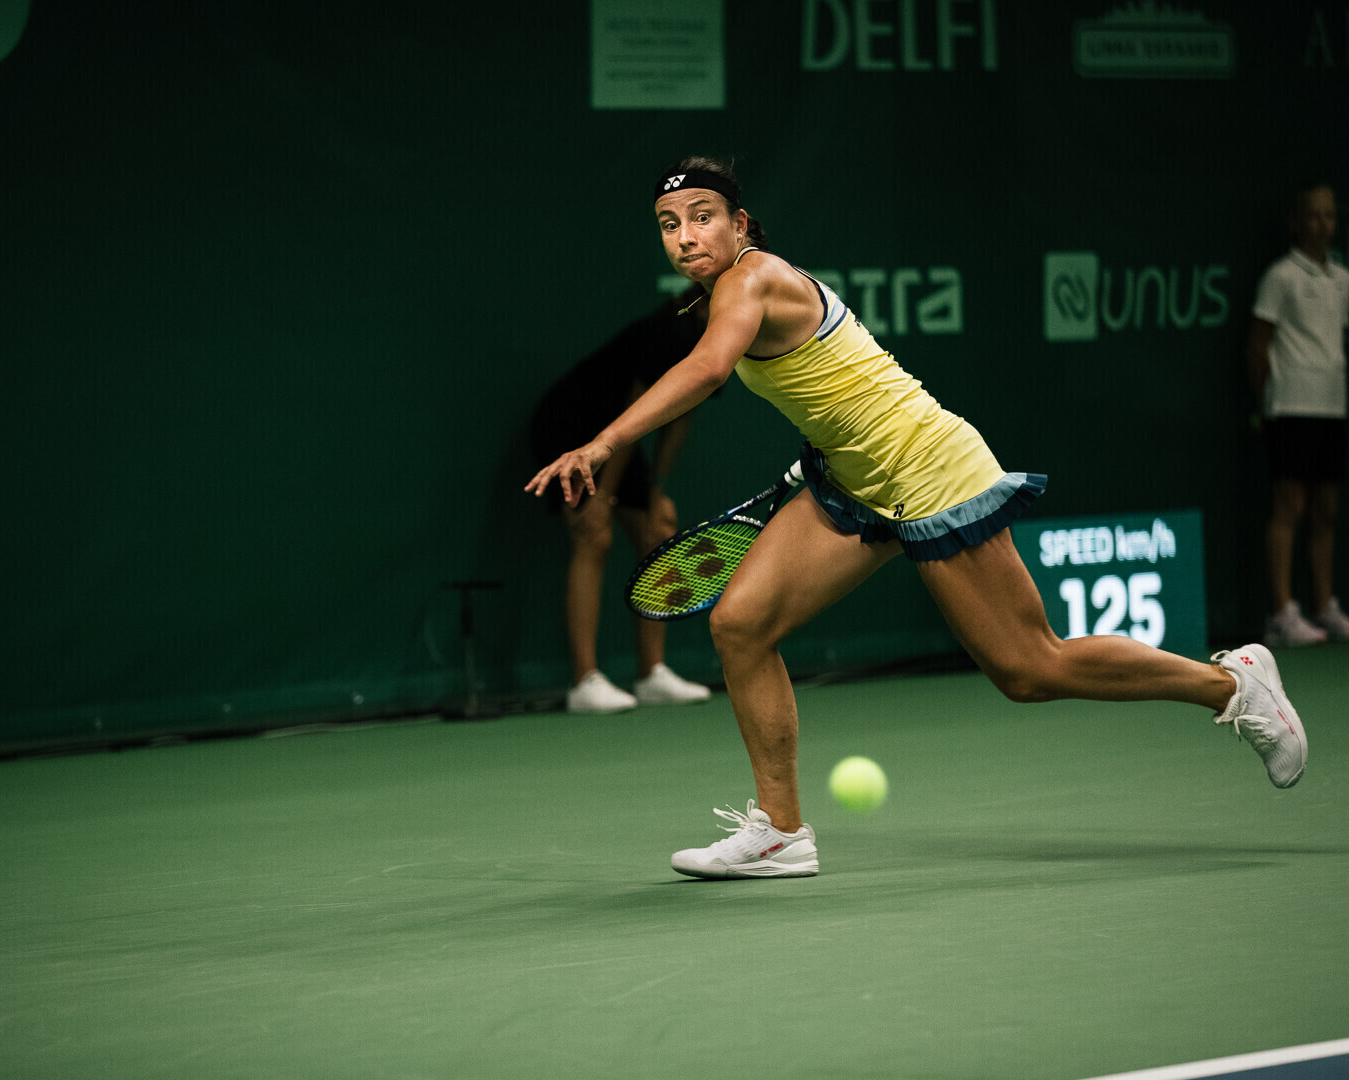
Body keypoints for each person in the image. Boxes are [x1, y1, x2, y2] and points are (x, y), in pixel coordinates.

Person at [526, 156, 1308, 879]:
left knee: (1029, 670)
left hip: (931, 469)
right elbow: (836, 382)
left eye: (703, 217)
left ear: (740, 224)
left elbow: (705, 372)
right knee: (741, 624)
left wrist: (602, 443)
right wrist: (825, 448)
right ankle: (781, 833)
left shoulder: (751, 277)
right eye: (670, 224)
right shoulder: (728, 292)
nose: (687, 235)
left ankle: (1231, 685)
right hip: (853, 479)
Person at [530, 292, 716, 713]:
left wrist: (656, 490)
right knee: (594, 535)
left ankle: (652, 674)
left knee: (658, 532)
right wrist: (601, 497)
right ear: (705, 302)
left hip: (615, 437)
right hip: (571, 423)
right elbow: (632, 416)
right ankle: (584, 681)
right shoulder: (670, 332)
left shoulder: (717, 342)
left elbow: (680, 416)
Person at [1247, 182, 1349, 647]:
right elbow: (1257, 346)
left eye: (1330, 215)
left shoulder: (1343, 279)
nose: (1324, 224)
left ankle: (1324, 607)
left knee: (1326, 510)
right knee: (1290, 506)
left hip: (1331, 406)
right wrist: (1264, 405)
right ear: (1296, 222)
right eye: (1315, 215)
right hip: (1290, 406)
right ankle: (1282, 614)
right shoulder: (1280, 277)